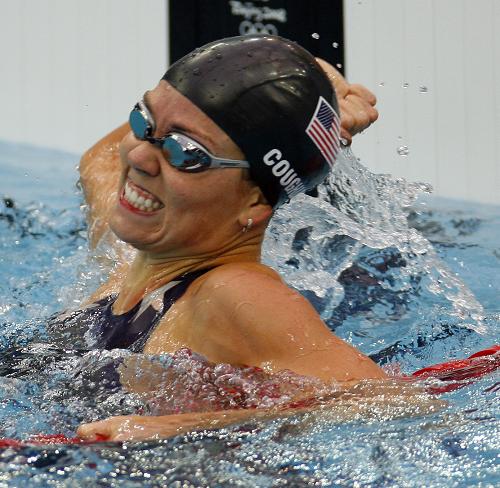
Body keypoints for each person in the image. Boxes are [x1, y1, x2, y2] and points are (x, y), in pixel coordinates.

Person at [70, 34, 383, 442]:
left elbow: (398, 403)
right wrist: (312, 103)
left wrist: (177, 428)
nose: (140, 157)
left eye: (186, 152)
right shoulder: (133, 258)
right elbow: (101, 160)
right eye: (142, 121)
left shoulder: (234, 293)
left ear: (254, 202)